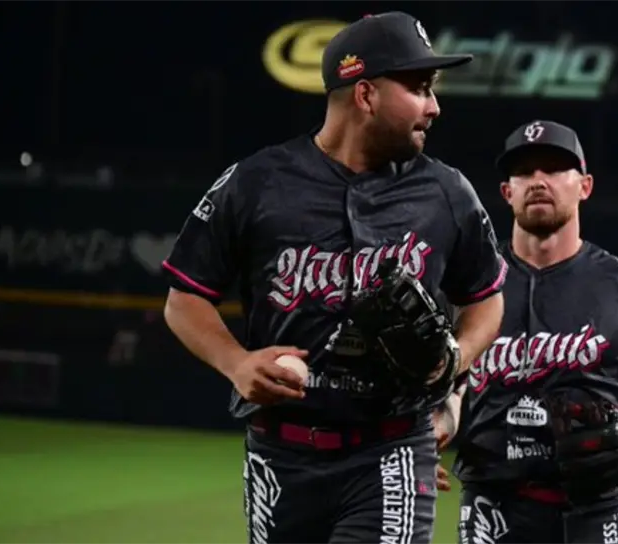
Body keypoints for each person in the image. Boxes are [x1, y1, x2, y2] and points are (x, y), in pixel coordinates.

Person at [160, 12, 506, 544]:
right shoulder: (255, 183)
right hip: (280, 452)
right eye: (418, 88)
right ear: (365, 94)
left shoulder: (447, 193)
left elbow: (486, 300)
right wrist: (236, 362)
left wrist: (454, 358)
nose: (434, 107)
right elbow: (184, 299)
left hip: (391, 449)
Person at [446, 120, 618, 544]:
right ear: (507, 192)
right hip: (492, 503)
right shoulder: (472, 289)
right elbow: (445, 386)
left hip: (595, 507)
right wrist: (433, 429)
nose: (539, 181)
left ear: (585, 186)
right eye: (524, 171)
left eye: (555, 168)